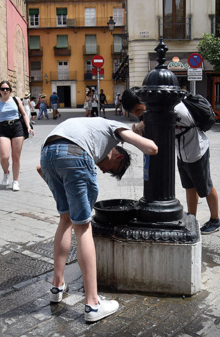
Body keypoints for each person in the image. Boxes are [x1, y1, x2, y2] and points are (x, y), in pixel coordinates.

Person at [38, 117, 158, 322]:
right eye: (111, 169)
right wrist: (152, 142)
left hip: (47, 154)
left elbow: (41, 169)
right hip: (74, 154)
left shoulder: (91, 128)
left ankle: (56, 287)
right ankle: (93, 304)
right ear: (118, 156)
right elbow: (151, 149)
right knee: (83, 228)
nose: (103, 170)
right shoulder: (112, 127)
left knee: (65, 219)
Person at [121, 89, 220, 234]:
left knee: (205, 186)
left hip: (197, 150)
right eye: (133, 113)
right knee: (189, 186)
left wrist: (141, 127)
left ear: (144, 101)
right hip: (182, 152)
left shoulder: (172, 107)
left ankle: (215, 220)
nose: (137, 115)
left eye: (138, 110)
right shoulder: (155, 109)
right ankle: (192, 218)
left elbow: (160, 120)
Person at [0, 81, 32, 191]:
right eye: (2, 89)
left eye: (7, 89)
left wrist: (28, 126)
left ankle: (15, 181)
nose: (5, 91)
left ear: (10, 90)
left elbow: (24, 114)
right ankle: (6, 173)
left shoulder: (16, 100)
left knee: (16, 157)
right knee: (4, 157)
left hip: (17, 127)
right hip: (3, 128)